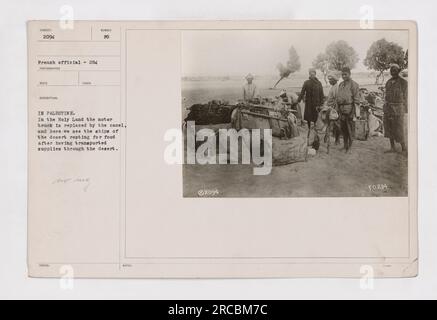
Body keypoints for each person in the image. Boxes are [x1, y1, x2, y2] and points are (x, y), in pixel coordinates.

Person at [384, 64, 408, 153]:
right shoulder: (388, 82)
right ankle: (392, 147)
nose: (393, 72)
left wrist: (405, 109)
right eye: (391, 70)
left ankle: (404, 147)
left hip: (399, 108)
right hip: (389, 107)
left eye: (395, 70)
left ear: (398, 71)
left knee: (399, 127)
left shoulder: (404, 82)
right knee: (389, 127)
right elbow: (386, 95)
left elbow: (406, 97)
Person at [336, 67, 360, 153]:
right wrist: (338, 109)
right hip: (341, 110)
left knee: (350, 129)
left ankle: (350, 147)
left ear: (349, 74)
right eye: (342, 74)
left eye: (345, 74)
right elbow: (338, 98)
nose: (343, 76)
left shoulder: (354, 85)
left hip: (350, 110)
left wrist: (353, 112)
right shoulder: (341, 84)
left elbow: (357, 100)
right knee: (344, 129)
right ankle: (345, 145)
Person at [297, 68, 325, 136]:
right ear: (309, 75)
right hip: (309, 104)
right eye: (311, 74)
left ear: (315, 74)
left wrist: (322, 103)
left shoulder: (319, 83)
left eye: (313, 74)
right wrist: (298, 100)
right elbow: (302, 93)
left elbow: (321, 94)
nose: (312, 75)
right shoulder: (306, 83)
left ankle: (315, 130)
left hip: (316, 104)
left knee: (316, 117)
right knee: (309, 118)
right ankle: (310, 129)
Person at [326, 72, 341, 145]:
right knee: (332, 123)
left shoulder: (336, 87)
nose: (329, 81)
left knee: (336, 124)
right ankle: (334, 138)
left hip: (334, 108)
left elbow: (336, 99)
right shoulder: (333, 87)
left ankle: (337, 139)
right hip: (331, 107)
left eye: (330, 80)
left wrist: (335, 109)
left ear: (334, 80)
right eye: (329, 80)